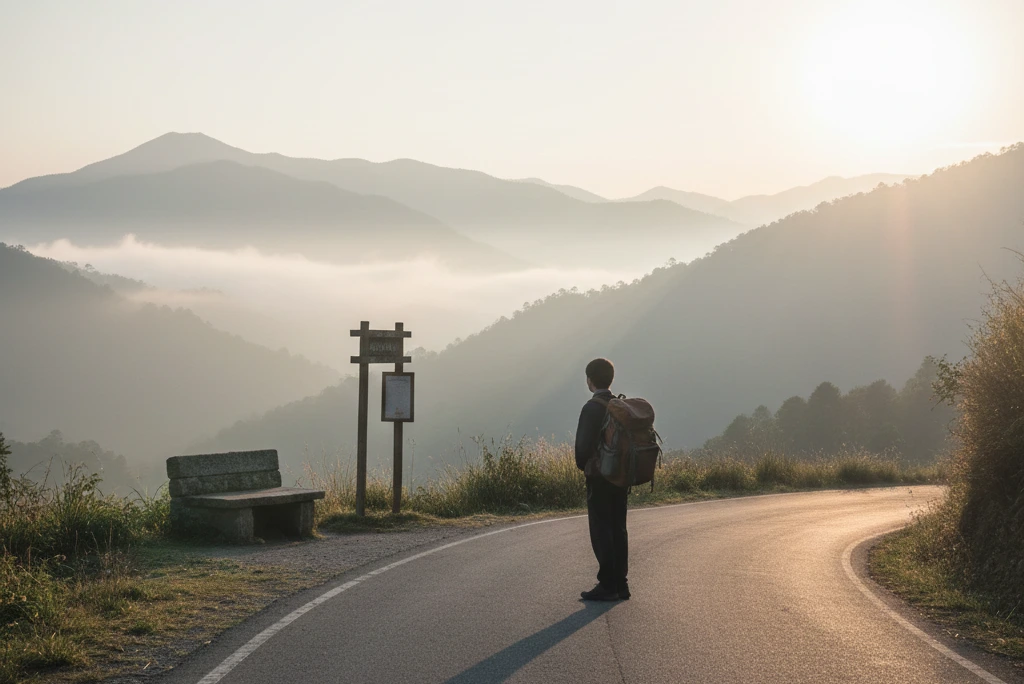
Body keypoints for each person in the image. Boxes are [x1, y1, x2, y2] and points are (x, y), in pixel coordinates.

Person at [575, 357, 629, 601]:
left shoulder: (592, 407)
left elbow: (583, 449)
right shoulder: (619, 405)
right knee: (618, 527)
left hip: (599, 476)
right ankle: (621, 584)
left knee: (601, 528)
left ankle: (607, 584)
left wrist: (582, 464)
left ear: (589, 380)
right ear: (611, 379)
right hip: (621, 475)